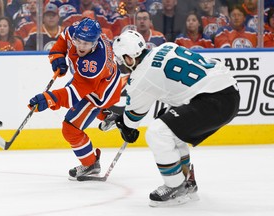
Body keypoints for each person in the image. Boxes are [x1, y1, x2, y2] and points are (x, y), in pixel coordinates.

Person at [111, 30, 240, 207]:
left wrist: (125, 127)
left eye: (120, 59)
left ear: (129, 58)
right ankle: (187, 181)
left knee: (157, 133)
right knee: (171, 128)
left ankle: (176, 187)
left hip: (214, 100)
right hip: (227, 91)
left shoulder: (141, 76)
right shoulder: (165, 46)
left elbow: (133, 118)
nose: (121, 65)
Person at [28, 18, 123, 180]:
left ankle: (90, 164)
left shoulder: (93, 64)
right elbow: (64, 39)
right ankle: (108, 116)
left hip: (99, 92)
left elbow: (74, 94)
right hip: (98, 80)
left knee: (70, 129)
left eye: (86, 44)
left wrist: (48, 99)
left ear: (95, 42)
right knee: (78, 105)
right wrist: (57, 56)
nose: (80, 46)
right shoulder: (74, 32)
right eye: (78, 41)